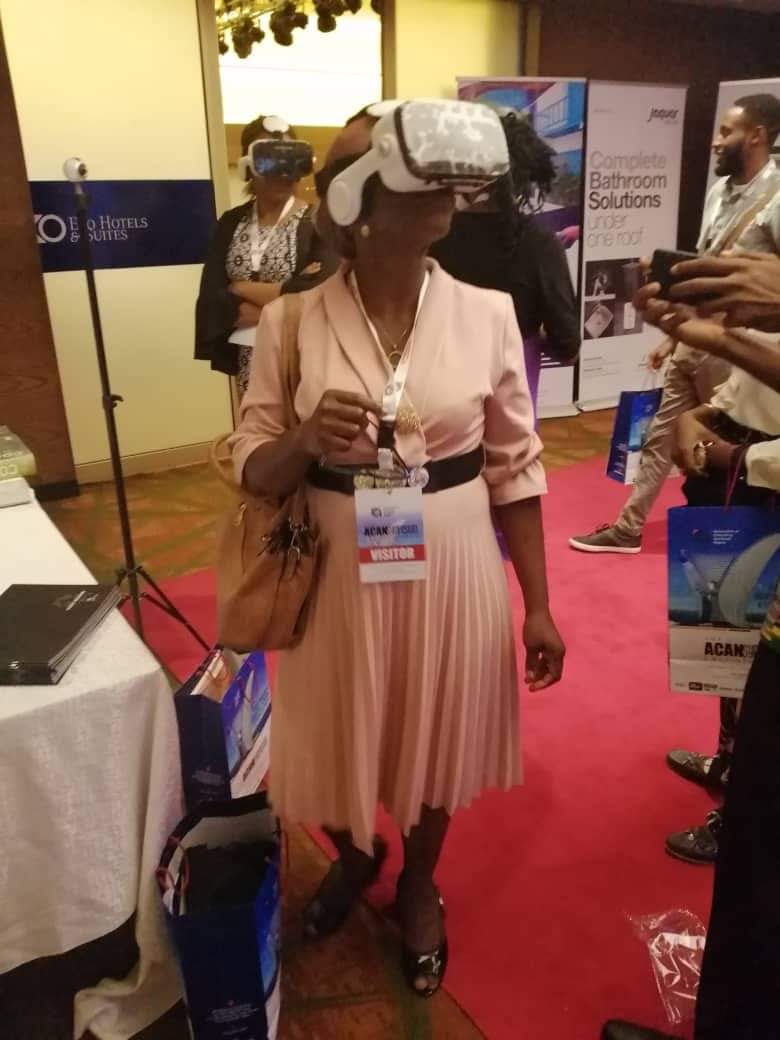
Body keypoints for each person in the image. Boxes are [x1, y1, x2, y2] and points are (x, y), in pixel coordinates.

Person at [228, 106, 565, 997]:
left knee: (438, 729)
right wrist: (303, 438)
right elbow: (252, 462)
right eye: (412, 177)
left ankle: (419, 879)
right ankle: (353, 855)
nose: (443, 190)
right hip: (333, 566)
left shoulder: (487, 313)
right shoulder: (292, 322)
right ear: (356, 203)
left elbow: (516, 468)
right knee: (333, 727)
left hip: (454, 562)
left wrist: (538, 604)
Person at [602, 265, 780, 1040]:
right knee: (726, 642)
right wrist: (714, 365)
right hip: (740, 451)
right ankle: (731, 765)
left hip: (755, 465)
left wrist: (743, 459)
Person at [570, 92, 780, 555]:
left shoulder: (777, 197)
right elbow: (702, 265)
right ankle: (628, 528)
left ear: (757, 136)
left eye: (727, 132)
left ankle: (722, 547)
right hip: (693, 339)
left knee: (714, 454)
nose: (716, 142)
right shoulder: (718, 194)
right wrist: (672, 336)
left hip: (741, 354)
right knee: (661, 434)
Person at [431, 110, 580, 411]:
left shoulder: (433, 235)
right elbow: (568, 347)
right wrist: (529, 338)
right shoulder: (540, 244)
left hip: (437, 407)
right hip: (511, 413)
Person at [194, 114, 336, 395]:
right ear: (248, 165)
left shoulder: (319, 223)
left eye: (289, 159)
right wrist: (288, 296)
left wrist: (240, 288)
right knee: (253, 421)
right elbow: (212, 299)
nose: (281, 172)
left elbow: (321, 294)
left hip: (306, 365)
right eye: (269, 159)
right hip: (248, 361)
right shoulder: (231, 223)